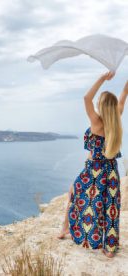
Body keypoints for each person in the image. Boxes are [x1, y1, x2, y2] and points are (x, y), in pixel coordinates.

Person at [57, 72, 128, 258]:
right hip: (112, 170)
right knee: (110, 207)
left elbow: (86, 97)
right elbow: (124, 94)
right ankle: (110, 249)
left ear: (101, 106)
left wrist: (103, 78)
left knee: (74, 193)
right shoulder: (116, 118)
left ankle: (65, 229)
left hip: (94, 170)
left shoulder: (97, 122)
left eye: (99, 102)